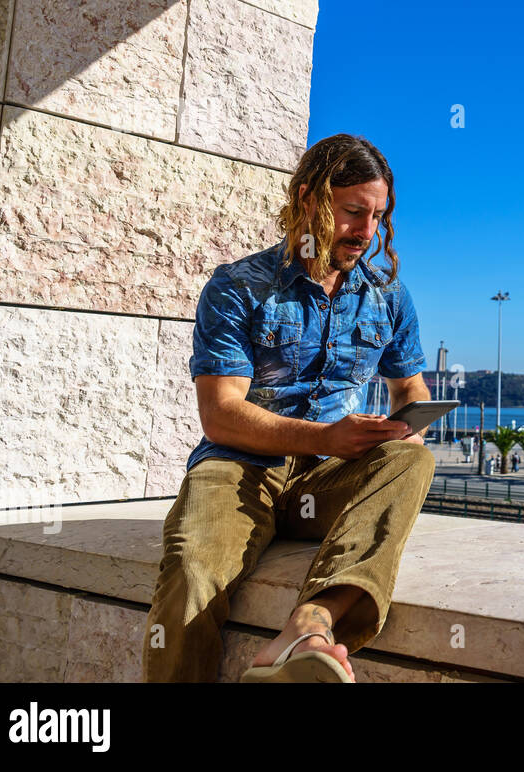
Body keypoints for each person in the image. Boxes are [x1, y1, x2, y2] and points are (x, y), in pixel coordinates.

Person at [143, 134, 435, 683]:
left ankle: (311, 622)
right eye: (353, 212)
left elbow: (410, 390)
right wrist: (323, 437)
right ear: (308, 198)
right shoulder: (238, 287)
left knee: (413, 461)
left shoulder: (389, 296)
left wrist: (407, 426)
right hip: (239, 468)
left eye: (378, 216)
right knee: (190, 572)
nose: (367, 231)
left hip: (330, 479)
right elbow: (220, 413)